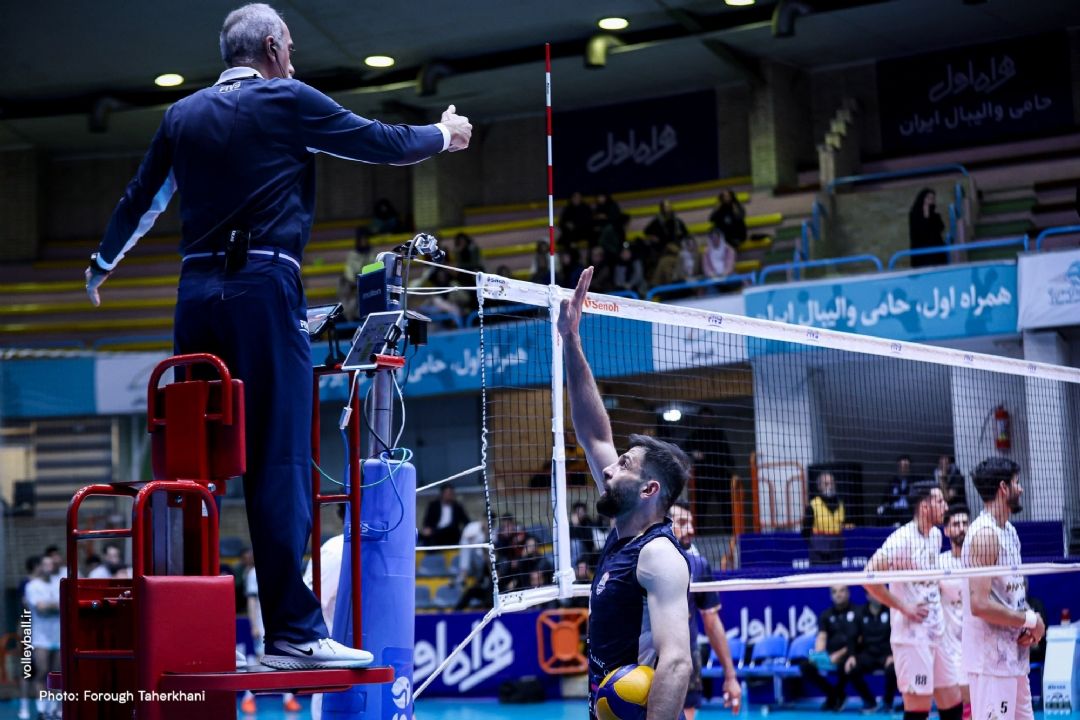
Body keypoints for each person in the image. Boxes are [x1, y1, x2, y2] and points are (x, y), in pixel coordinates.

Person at [83, 2, 472, 670]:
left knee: (193, 459)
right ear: (270, 47)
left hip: (194, 299)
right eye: (289, 46)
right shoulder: (288, 99)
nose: (293, 57)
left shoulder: (181, 115)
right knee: (280, 458)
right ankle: (293, 631)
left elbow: (139, 199)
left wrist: (101, 264)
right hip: (263, 289)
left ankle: (179, 623)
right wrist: (443, 133)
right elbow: (380, 142)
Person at [559, 266, 693, 720]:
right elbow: (594, 434)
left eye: (624, 465)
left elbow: (677, 662)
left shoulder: (658, 555)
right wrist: (571, 340)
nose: (608, 468)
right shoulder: (625, 527)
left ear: (649, 489)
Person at [863, 481, 963, 720]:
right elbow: (868, 578)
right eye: (940, 501)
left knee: (953, 704)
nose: (945, 506)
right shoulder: (901, 540)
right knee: (918, 710)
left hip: (937, 634)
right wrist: (904, 607)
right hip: (912, 638)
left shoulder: (936, 536)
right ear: (925, 506)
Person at [963, 458, 1043, 720]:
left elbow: (1013, 596)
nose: (1020, 489)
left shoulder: (1009, 532)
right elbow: (980, 605)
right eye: (1016, 483)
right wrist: (1030, 619)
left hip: (1014, 659)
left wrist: (1029, 624)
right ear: (1003, 488)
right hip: (990, 664)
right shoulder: (984, 535)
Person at [670, 502, 741, 719]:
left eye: (691, 523)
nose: (691, 529)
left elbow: (712, 622)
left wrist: (730, 676)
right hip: (646, 660)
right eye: (682, 522)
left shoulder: (699, 565)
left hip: (686, 660)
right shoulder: (639, 560)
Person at [242, 565, 301, 714]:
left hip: (284, 622)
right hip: (262, 623)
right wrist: (254, 625)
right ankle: (248, 698)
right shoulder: (254, 573)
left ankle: (288, 699)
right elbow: (252, 600)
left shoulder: (286, 569)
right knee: (260, 660)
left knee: (288, 659)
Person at [798, 585, 861, 711]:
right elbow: (822, 636)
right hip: (831, 655)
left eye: (842, 591)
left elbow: (860, 639)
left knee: (846, 664)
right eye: (834, 592)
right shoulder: (826, 615)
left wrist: (841, 653)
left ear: (848, 593)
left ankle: (837, 696)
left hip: (852, 653)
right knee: (806, 666)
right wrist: (818, 655)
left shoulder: (858, 612)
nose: (838, 594)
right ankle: (834, 694)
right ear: (831, 596)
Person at [938, 504, 970, 712]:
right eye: (956, 524)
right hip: (952, 649)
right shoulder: (939, 563)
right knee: (962, 704)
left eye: (965, 523)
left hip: (979, 645)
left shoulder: (980, 562)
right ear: (947, 530)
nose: (961, 528)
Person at [24, 554, 61, 720]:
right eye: (45, 564)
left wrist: (50, 605)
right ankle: (41, 709)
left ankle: (53, 709)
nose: (49, 567)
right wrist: (55, 605)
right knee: (42, 672)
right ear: (39, 566)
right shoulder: (32, 586)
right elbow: (40, 607)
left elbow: (62, 604)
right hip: (40, 638)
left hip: (58, 636)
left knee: (56, 674)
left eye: (50, 564)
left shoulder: (58, 583)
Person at [851, 598, 898, 711]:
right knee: (851, 668)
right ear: (867, 595)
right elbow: (852, 637)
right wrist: (851, 656)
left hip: (886, 654)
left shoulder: (891, 611)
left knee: (893, 669)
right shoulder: (860, 613)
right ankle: (870, 701)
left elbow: (898, 634)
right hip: (868, 654)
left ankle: (888, 702)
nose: (877, 595)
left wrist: (894, 655)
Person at [802, 472, 845, 567]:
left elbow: (842, 524)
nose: (830, 486)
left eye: (832, 483)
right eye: (826, 483)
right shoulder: (813, 505)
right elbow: (805, 530)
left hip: (837, 548)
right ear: (819, 486)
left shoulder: (840, 504)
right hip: (818, 549)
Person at [339, 226, 375, 321]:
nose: (363, 241)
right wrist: (354, 283)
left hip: (368, 284)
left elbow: (373, 270)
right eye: (361, 239)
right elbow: (349, 272)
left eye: (365, 239)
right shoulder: (352, 255)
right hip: (354, 285)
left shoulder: (371, 254)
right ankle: (349, 317)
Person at [644, 201, 691, 265]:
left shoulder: (677, 221)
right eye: (665, 207)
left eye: (668, 207)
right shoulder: (657, 222)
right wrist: (653, 237)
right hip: (662, 248)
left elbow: (686, 234)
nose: (667, 209)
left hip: (677, 245)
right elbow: (646, 232)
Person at [908, 188, 945, 268]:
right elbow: (919, 233)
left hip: (936, 253)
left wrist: (932, 216)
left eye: (932, 198)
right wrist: (926, 216)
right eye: (928, 198)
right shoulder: (914, 214)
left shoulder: (935, 215)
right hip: (921, 254)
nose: (930, 200)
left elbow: (940, 228)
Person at [877, 455, 913, 527]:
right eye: (901, 466)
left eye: (906, 466)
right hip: (893, 510)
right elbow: (885, 498)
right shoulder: (892, 482)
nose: (903, 469)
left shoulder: (912, 481)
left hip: (907, 510)